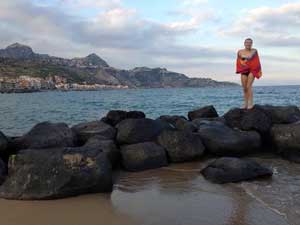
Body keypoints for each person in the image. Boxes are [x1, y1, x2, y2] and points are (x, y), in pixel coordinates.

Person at [236, 38, 262, 109]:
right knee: (244, 88)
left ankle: (250, 104)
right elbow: (239, 61)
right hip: (244, 70)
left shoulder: (254, 51)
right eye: (247, 42)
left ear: (252, 44)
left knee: (249, 86)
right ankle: (245, 104)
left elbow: (255, 61)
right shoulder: (240, 51)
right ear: (244, 43)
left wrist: (246, 58)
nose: (248, 44)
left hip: (252, 70)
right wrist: (243, 65)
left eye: (250, 43)